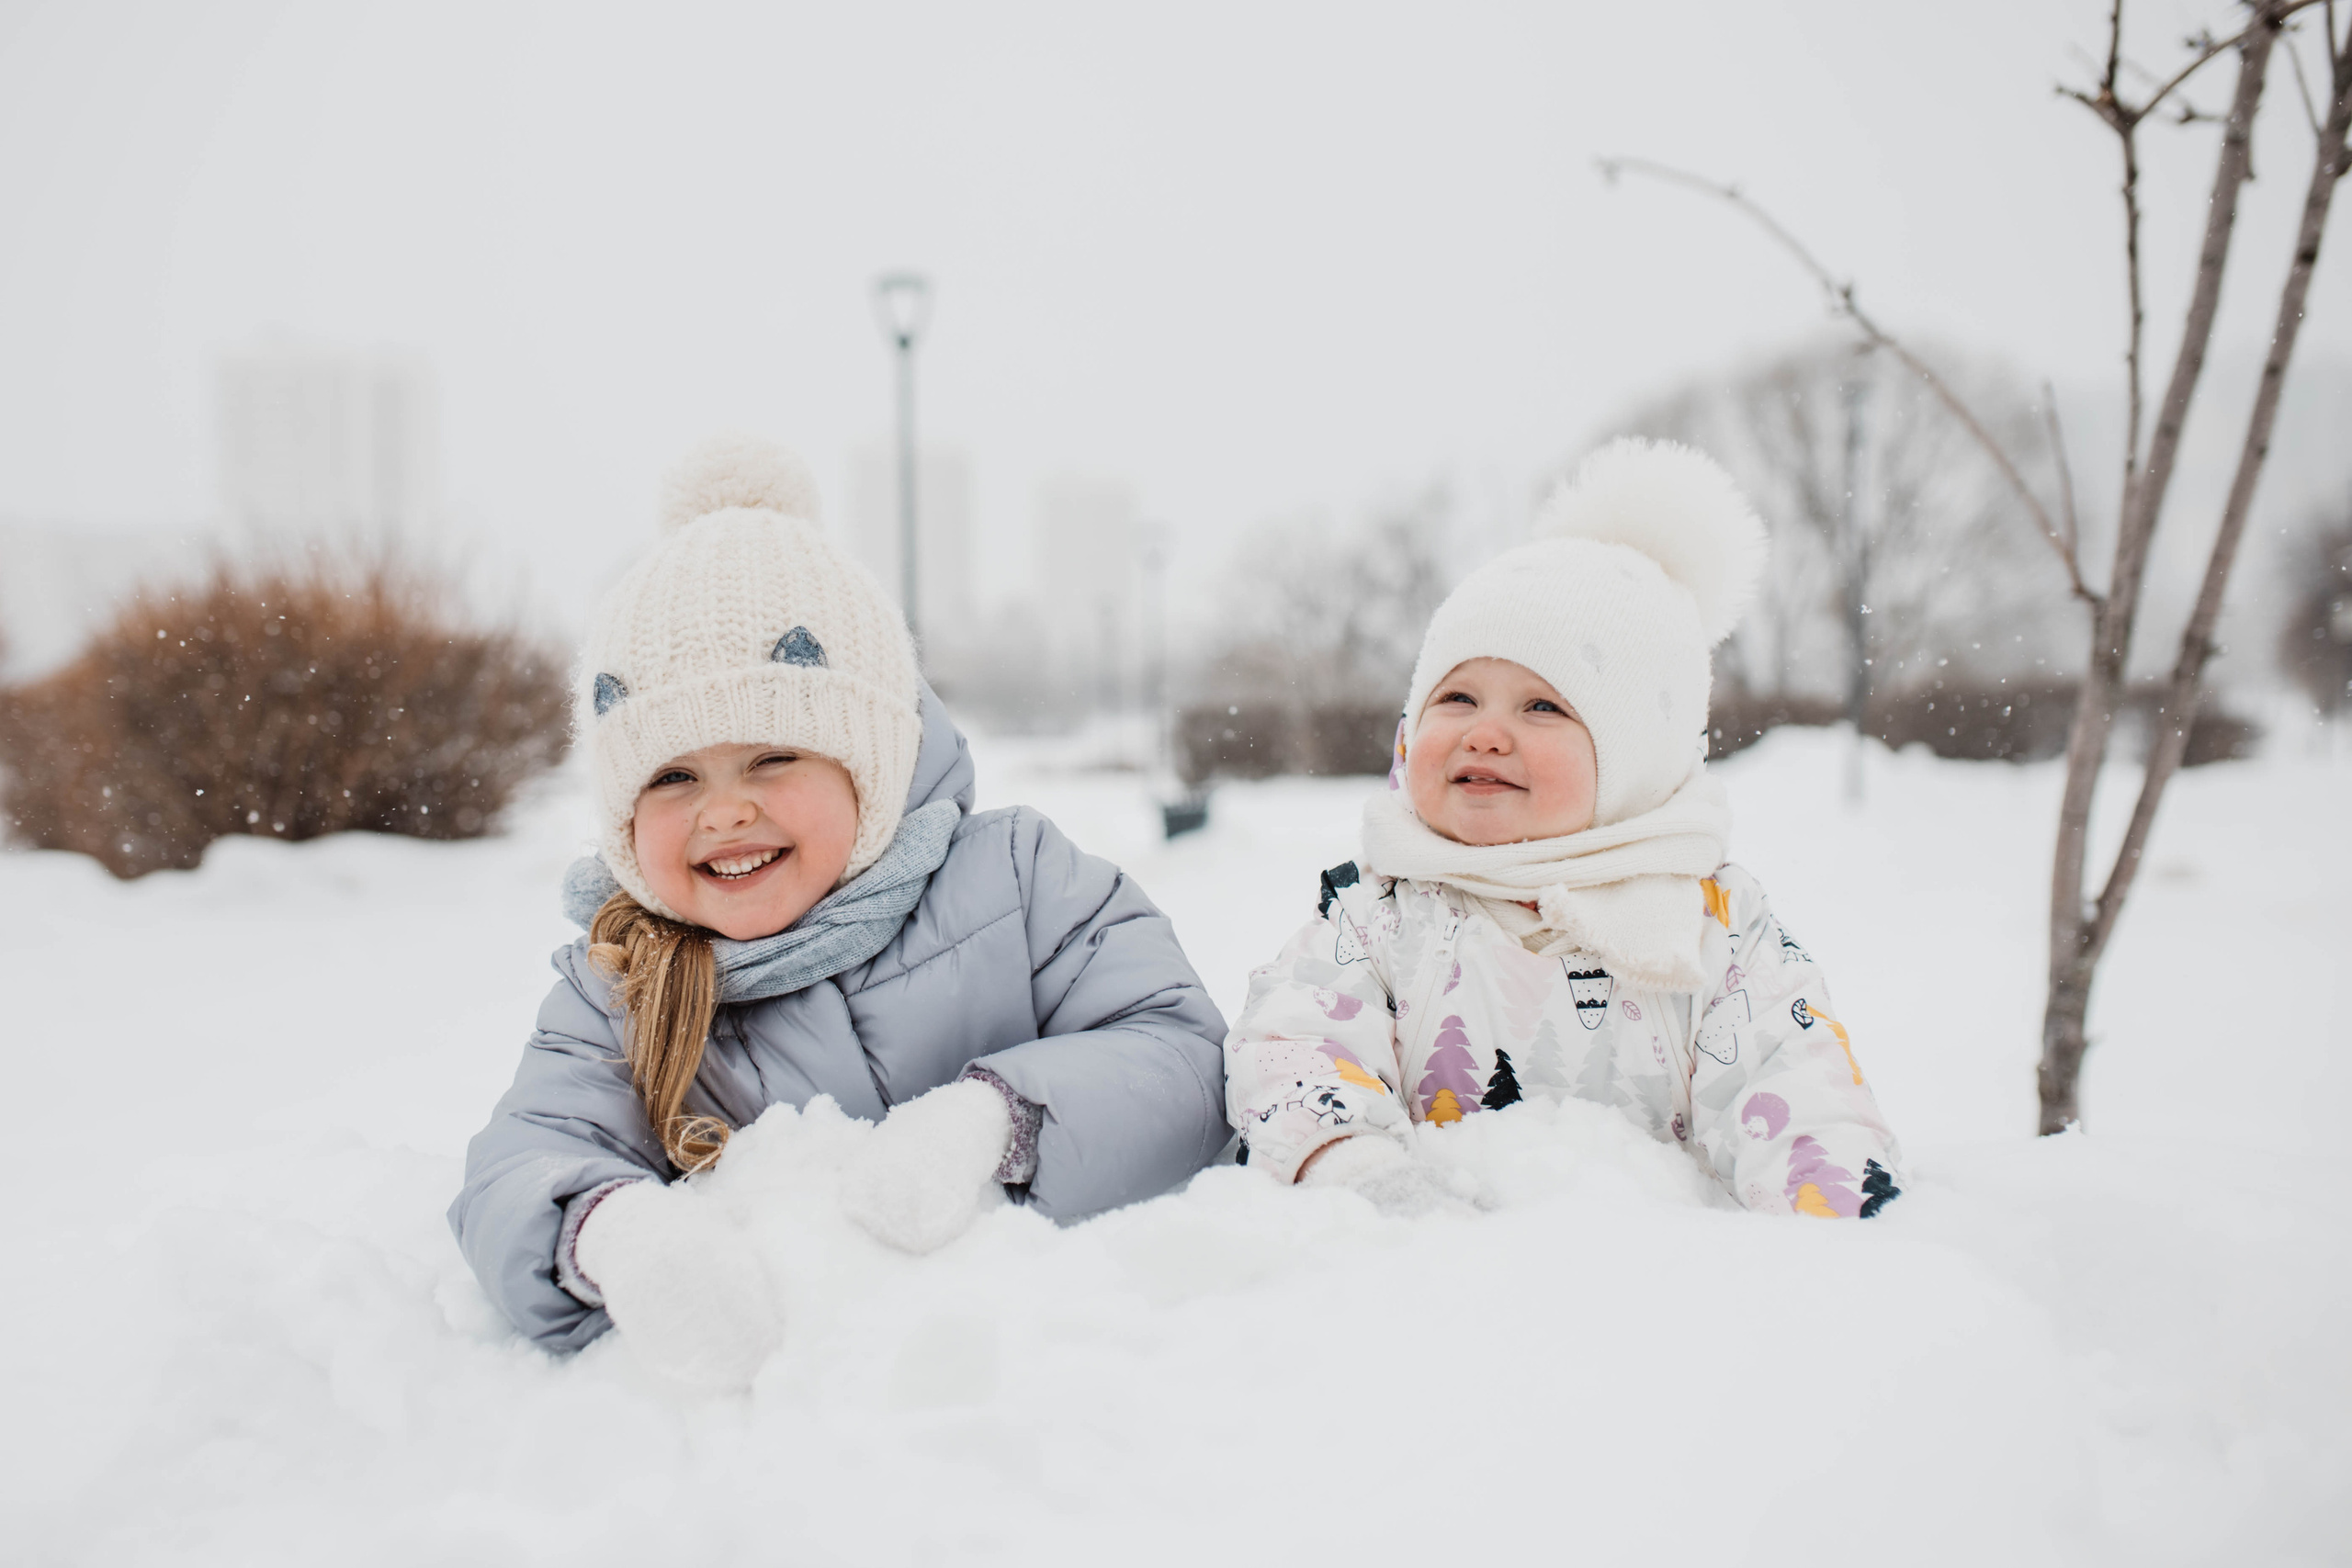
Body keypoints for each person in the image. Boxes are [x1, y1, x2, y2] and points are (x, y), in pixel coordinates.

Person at [451, 435, 1227, 1386]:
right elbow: (523, 1163)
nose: (724, 809)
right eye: (673, 776)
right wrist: (618, 1237)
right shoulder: (616, 987)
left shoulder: (1018, 885)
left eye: (772, 757)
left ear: (871, 760)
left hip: (1040, 1405)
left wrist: (992, 1125)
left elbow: (1180, 1055)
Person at [1224, 438, 1902, 1218]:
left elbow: (1797, 1076)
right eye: (1457, 698)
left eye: (1542, 706)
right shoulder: (1376, 911)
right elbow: (1291, 1044)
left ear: (1637, 759)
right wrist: (1357, 1170)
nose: (1485, 733)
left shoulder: (1713, 926)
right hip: (1425, 1283)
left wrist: (1833, 1220)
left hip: (1655, 1286)